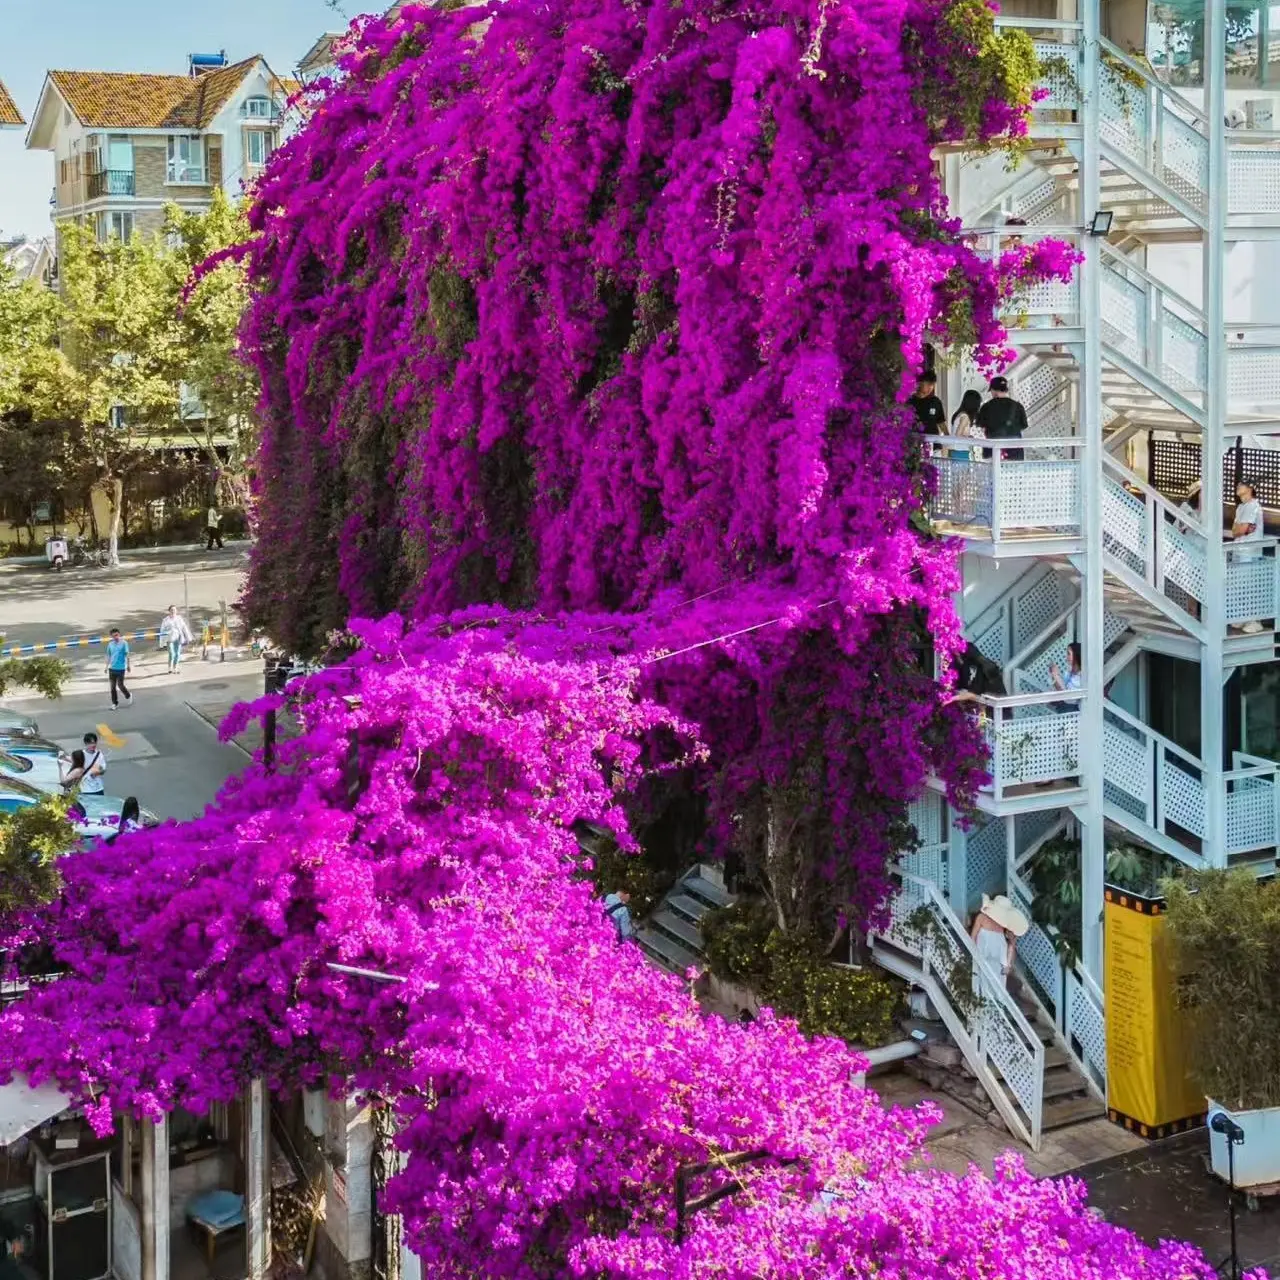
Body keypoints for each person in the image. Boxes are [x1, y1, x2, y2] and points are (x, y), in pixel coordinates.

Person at [969, 893, 1029, 991]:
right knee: (981, 985)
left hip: (997, 963)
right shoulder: (982, 918)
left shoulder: (1005, 928)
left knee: (996, 987)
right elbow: (973, 937)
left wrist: (1008, 965)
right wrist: (974, 954)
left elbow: (1011, 947)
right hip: (982, 956)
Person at [1231, 479, 1266, 634]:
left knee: (1249, 585)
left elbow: (1243, 528)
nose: (1238, 487)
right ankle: (1243, 616)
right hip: (1239, 549)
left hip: (1250, 551)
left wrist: (1242, 529)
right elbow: (1235, 530)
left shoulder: (1253, 506)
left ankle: (1255, 620)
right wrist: (1242, 529)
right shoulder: (1240, 507)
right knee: (1238, 585)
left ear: (1251, 488)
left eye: (1242, 485)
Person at [977, 376, 1029, 461]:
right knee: (1013, 473)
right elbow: (1023, 426)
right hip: (1014, 449)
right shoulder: (1018, 406)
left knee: (992, 473)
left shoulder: (986, 407)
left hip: (992, 448)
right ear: (1006, 390)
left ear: (993, 390)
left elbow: (982, 427)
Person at [908, 370, 946, 437]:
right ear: (920, 383)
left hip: (934, 442)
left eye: (932, 385)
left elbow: (941, 422)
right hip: (915, 441)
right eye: (928, 384)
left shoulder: (936, 402)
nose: (930, 387)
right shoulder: (910, 401)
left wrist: (949, 439)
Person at [159, 605, 193, 673]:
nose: (173, 611)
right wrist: (161, 643)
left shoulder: (179, 618)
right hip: (170, 639)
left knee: (177, 654)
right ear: (169, 611)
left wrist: (188, 637)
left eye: (174, 610)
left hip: (178, 638)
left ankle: (175, 668)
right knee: (171, 653)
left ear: (176, 611)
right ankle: (169, 668)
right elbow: (162, 631)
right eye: (171, 610)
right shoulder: (165, 620)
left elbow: (184, 627)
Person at [105, 627, 132, 708]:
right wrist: (106, 667)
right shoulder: (110, 644)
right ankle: (114, 703)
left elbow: (127, 655)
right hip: (112, 668)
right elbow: (109, 656)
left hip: (121, 668)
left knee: (120, 685)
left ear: (119, 634)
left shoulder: (124, 643)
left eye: (116, 635)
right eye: (113, 636)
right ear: (111, 637)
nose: (115, 637)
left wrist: (128, 665)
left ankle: (128, 695)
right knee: (112, 687)